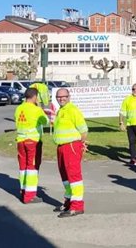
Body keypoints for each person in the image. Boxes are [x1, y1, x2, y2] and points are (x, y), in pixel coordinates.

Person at [52, 88, 88, 217]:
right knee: (65, 178)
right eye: (58, 97)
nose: (61, 99)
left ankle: (77, 206)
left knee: (74, 177)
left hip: (71, 146)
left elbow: (83, 130)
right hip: (61, 147)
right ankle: (68, 201)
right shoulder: (61, 110)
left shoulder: (73, 110)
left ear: (69, 96)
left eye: (64, 96)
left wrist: (80, 145)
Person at [15, 87, 49, 204]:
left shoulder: (19, 108)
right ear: (35, 97)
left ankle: (23, 190)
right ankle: (29, 196)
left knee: (23, 167)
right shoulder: (36, 109)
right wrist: (40, 107)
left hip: (21, 141)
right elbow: (46, 121)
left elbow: (17, 120)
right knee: (32, 168)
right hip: (33, 141)